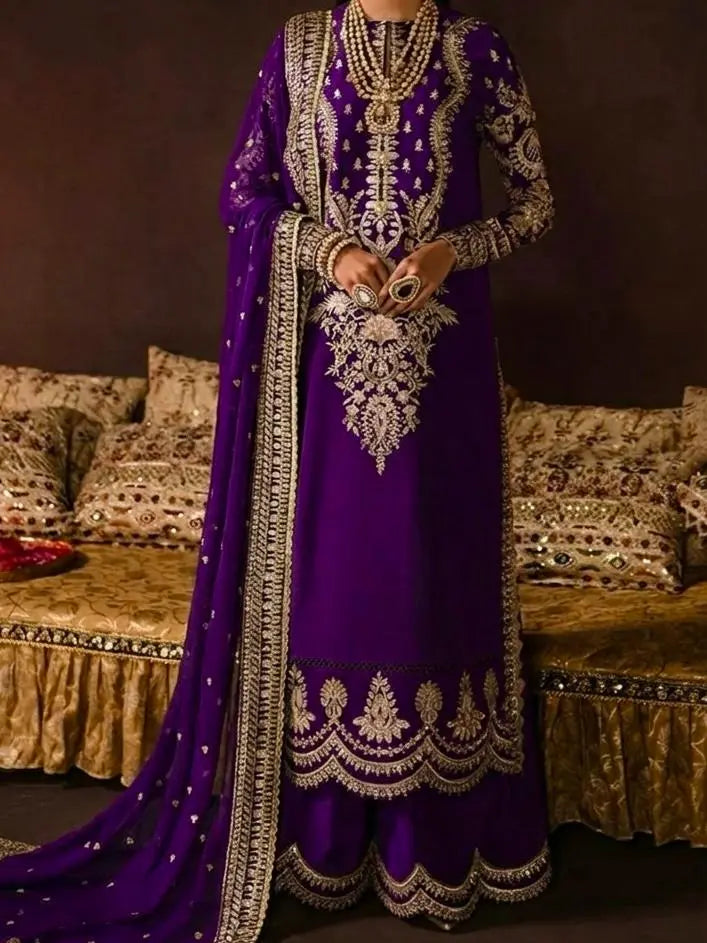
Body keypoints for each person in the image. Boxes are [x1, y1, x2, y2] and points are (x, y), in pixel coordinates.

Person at [0, 0, 555, 939]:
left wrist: (450, 249)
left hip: (445, 380)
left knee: (432, 582)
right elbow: (243, 191)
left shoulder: (473, 49)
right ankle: (322, 843)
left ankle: (430, 847)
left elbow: (534, 201)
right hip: (323, 380)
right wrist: (330, 251)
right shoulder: (299, 47)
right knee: (335, 588)